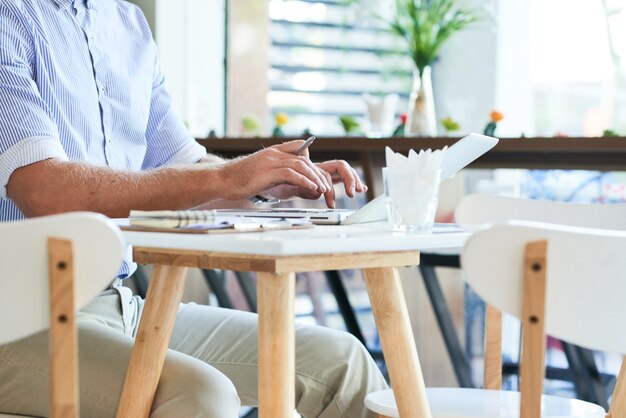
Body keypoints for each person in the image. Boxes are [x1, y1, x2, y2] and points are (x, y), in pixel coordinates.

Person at [0, 0, 388, 417]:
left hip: (118, 303)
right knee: (202, 396)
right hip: (17, 317)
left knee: (341, 364)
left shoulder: (127, 23)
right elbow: (45, 190)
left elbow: (184, 171)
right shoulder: (10, 16)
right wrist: (229, 177)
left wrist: (267, 179)